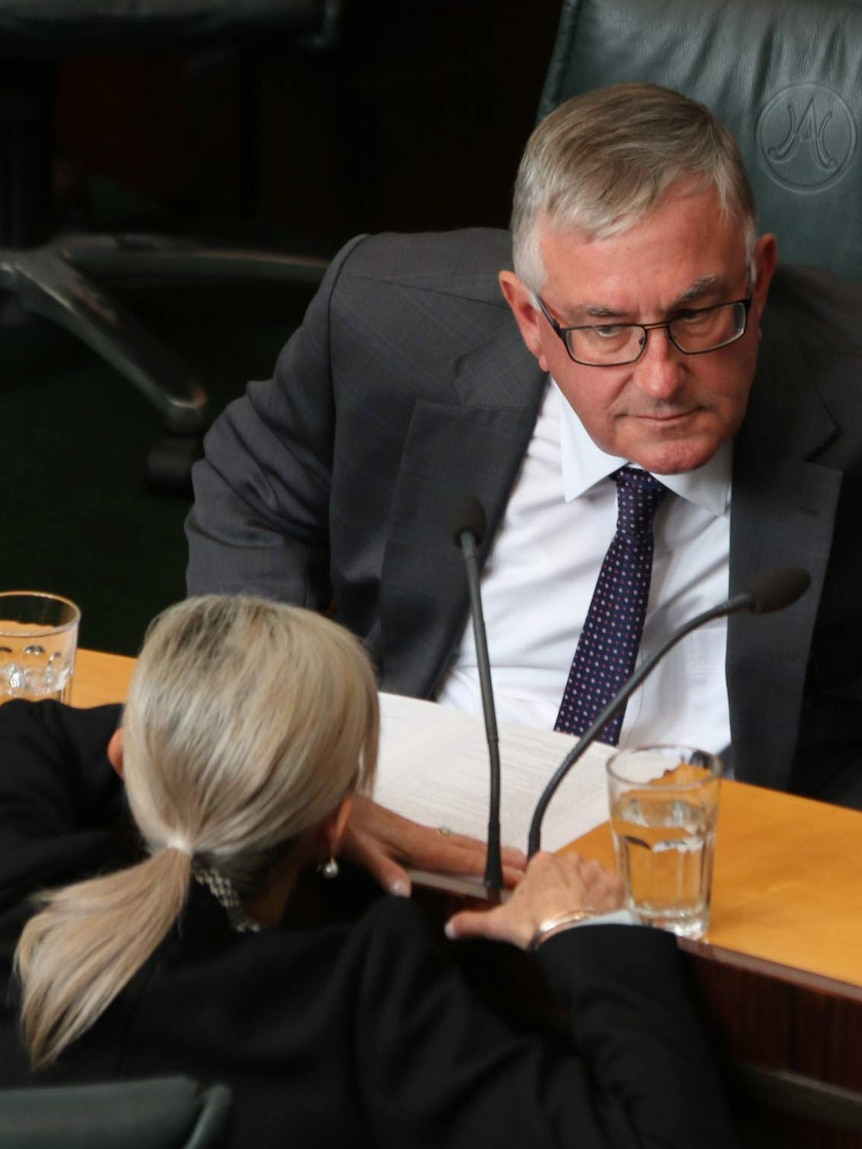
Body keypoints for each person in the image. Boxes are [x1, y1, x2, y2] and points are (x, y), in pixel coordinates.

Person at [185, 82, 862, 891]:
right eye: (606, 328)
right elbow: (252, 485)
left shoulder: (845, 384)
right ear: (531, 320)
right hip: (402, 837)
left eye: (700, 314)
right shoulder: (390, 319)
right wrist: (283, 759)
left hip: (696, 879)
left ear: (759, 276)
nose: (661, 378)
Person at [0, 595, 741, 1148]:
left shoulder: (20, 894)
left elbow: (23, 728)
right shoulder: (358, 1001)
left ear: (127, 760)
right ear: (331, 822)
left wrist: (196, 746)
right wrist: (587, 922)